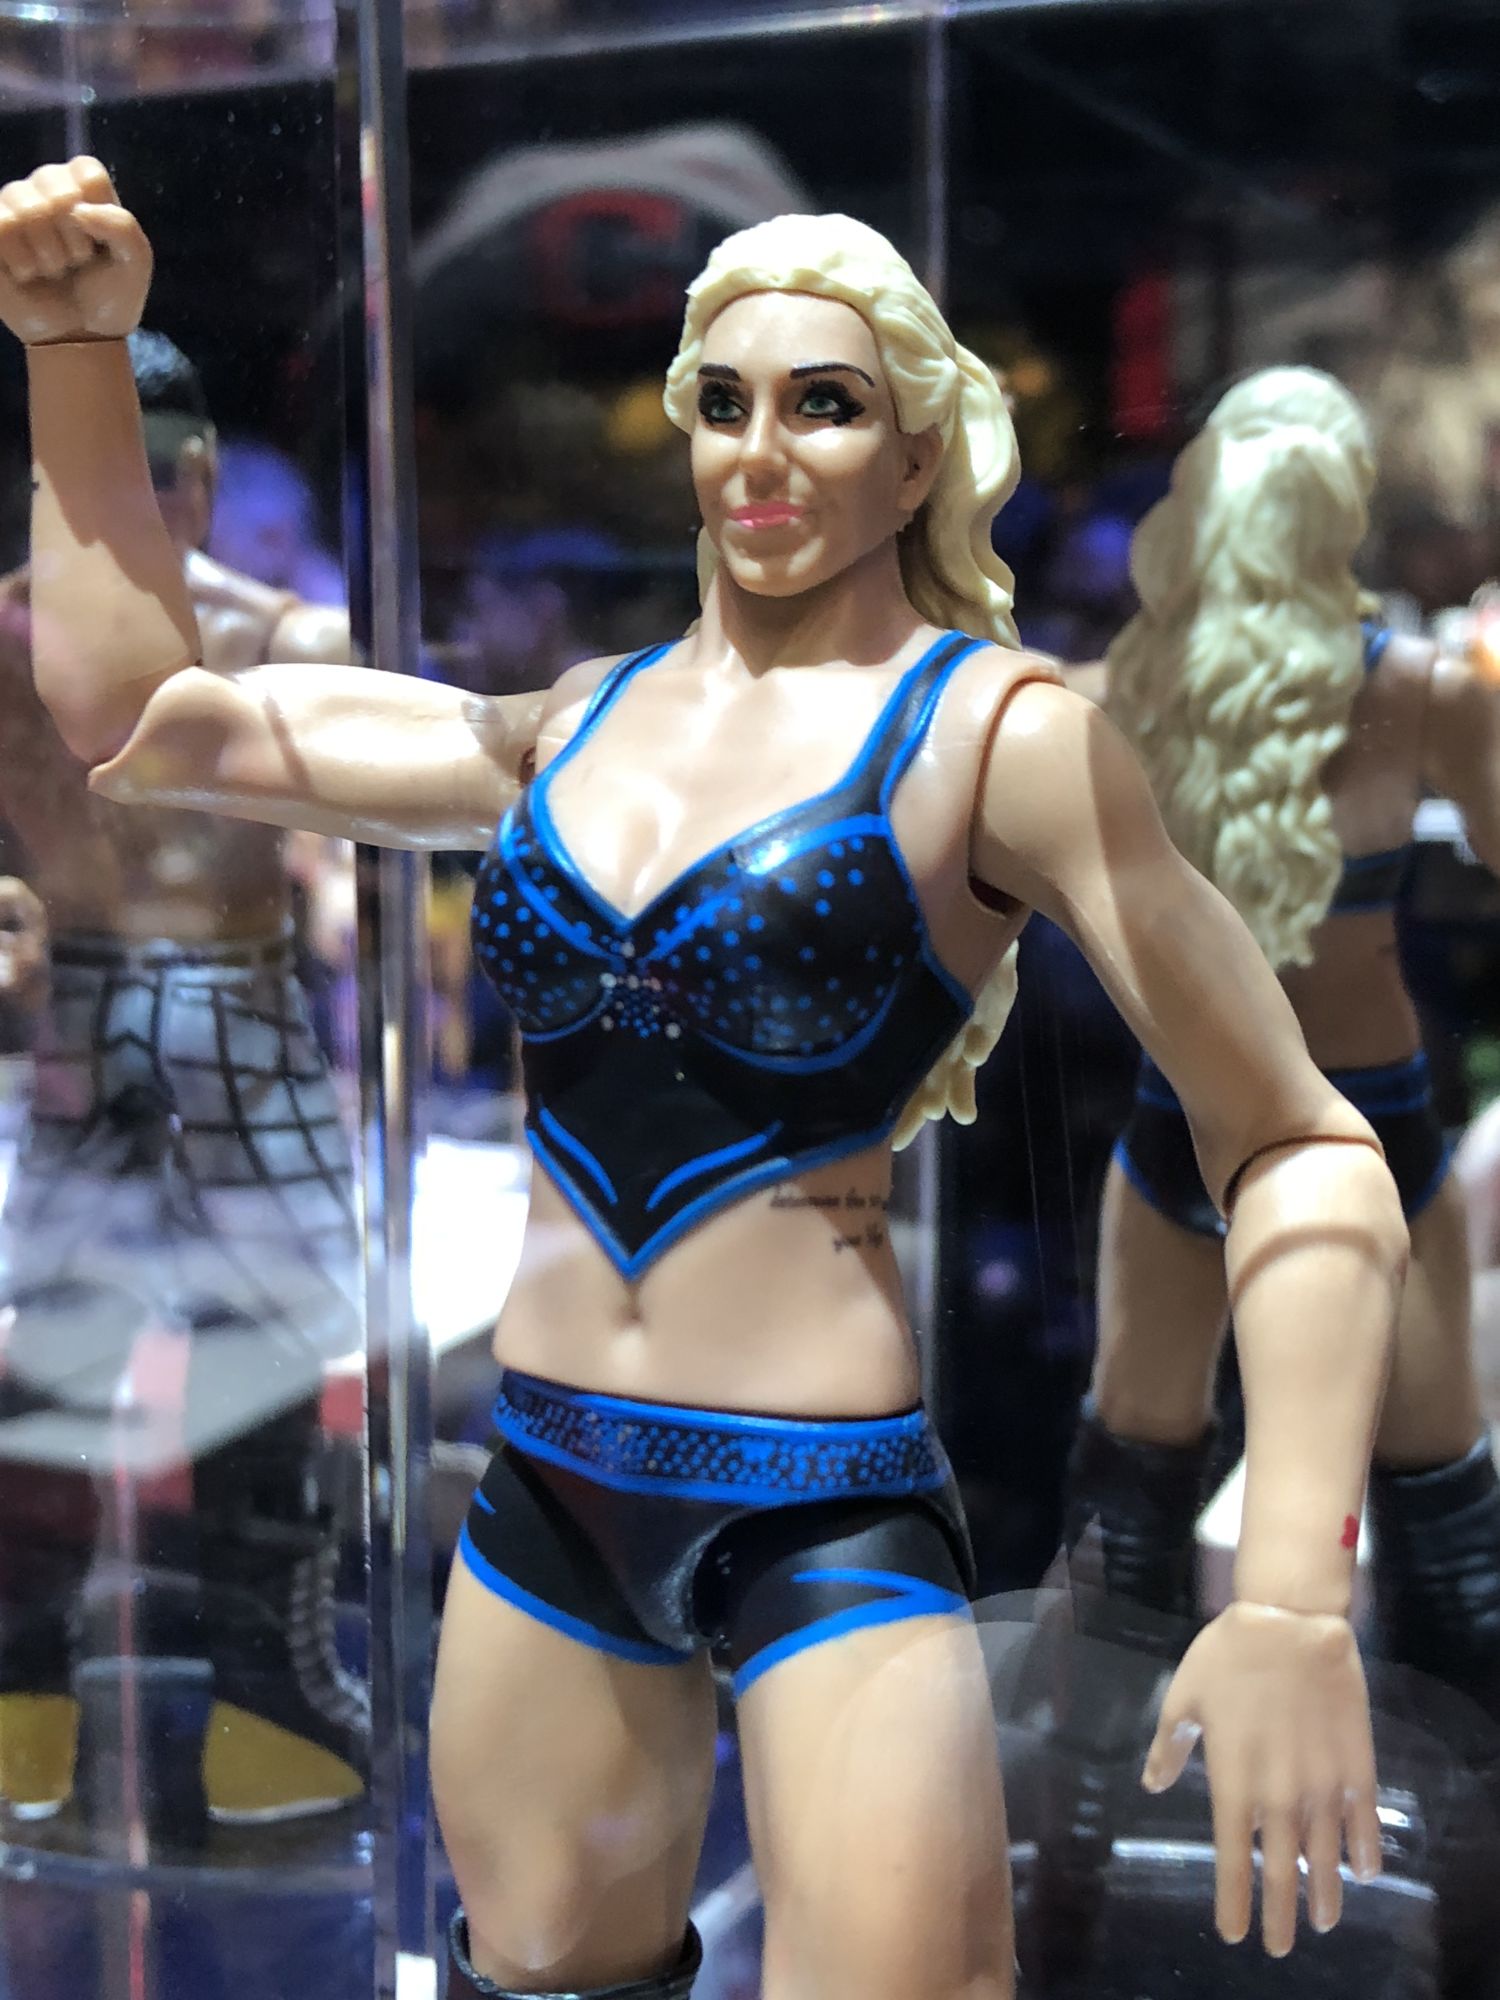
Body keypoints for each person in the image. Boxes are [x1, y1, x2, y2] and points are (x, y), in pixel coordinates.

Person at [0, 159, 1408, 1996]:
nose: (762, 451)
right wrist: (77, 357)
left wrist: (1294, 1585)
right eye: (722, 402)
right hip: (548, 1482)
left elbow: (1297, 1140)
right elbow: (146, 722)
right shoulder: (566, 726)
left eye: (824, 405)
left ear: (917, 454)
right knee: (536, 1966)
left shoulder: (999, 738)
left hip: (823, 1501)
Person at [1074, 366, 1500, 1727]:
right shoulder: (1421, 689)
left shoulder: (1128, 688)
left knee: (1146, 1491)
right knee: (1427, 1501)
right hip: (1344, 1122)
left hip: (1212, 1117)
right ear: (1344, 508)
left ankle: (1077, 1823)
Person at [0, 323, 367, 1830]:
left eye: (155, 474)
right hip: (115, 1002)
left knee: (258, 1349)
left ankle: (255, 1707)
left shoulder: (287, 638)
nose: (142, 502)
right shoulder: (20, 634)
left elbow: (357, 839)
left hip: (212, 1001)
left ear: (204, 476)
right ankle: (32, 1697)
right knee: (57, 1355)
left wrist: (346, 903)